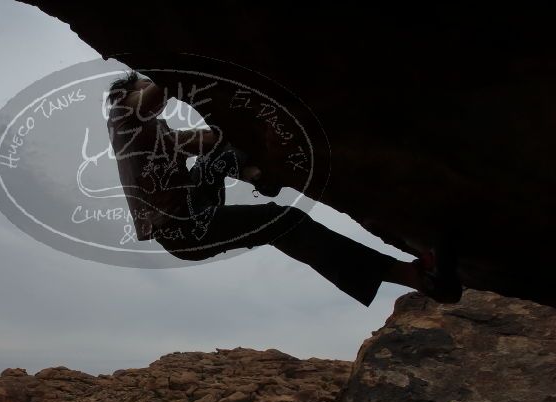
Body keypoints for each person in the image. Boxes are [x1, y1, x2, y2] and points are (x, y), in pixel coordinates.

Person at [106, 71, 461, 306]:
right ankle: (414, 276)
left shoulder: (156, 133)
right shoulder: (122, 119)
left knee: (215, 154)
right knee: (283, 222)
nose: (150, 86)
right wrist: (168, 69)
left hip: (193, 216)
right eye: (142, 83)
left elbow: (202, 140)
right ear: (126, 95)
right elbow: (157, 90)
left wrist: (246, 139)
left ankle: (257, 175)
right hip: (183, 231)